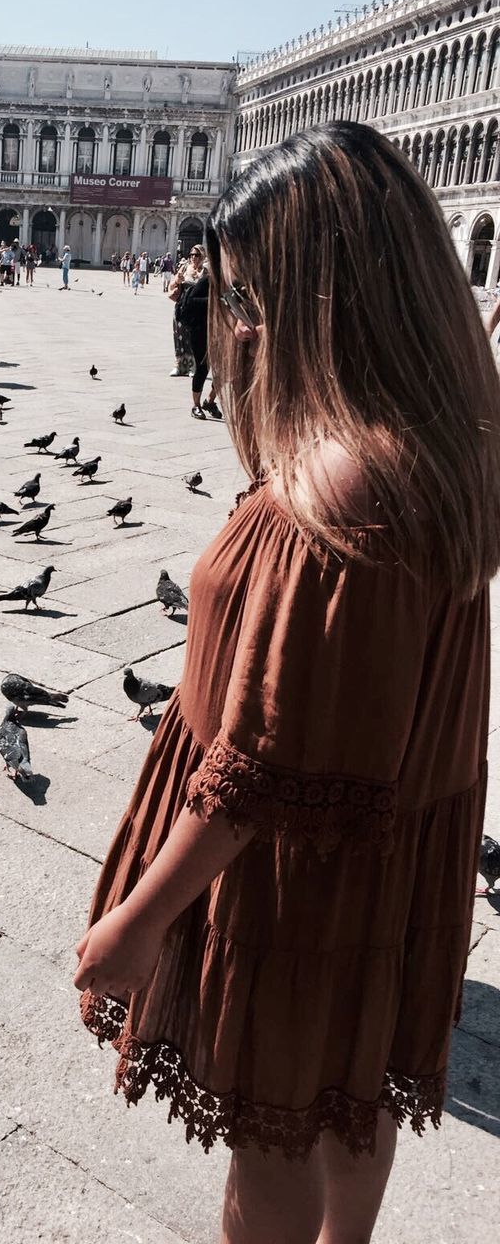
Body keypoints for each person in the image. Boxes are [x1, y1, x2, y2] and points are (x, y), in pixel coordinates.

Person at [75, 119, 500, 1244]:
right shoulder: (440, 444)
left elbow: (263, 764)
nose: (237, 326)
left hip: (298, 881)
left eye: (249, 297)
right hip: (384, 866)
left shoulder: (341, 491)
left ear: (323, 299)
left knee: (271, 1145)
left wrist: (136, 921)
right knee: (347, 1103)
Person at [179, 245, 221, 419]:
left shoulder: (232, 284)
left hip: (221, 331)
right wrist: (214, 300)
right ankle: (196, 405)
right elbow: (192, 301)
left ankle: (210, 401)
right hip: (200, 330)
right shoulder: (207, 281)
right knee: (202, 368)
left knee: (224, 372)